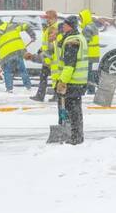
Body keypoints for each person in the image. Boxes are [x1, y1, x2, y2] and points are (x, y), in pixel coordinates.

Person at [53, 16, 88, 145]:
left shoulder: (72, 41)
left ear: (70, 26)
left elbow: (69, 65)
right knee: (76, 111)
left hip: (72, 82)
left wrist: (62, 81)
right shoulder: (79, 38)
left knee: (70, 111)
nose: (63, 26)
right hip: (79, 82)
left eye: (65, 24)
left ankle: (73, 137)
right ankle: (77, 136)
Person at [0, 19, 36, 93]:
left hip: (6, 54)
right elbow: (26, 26)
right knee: (22, 70)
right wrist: (32, 35)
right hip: (18, 52)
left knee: (8, 72)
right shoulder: (12, 26)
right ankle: (28, 87)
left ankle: (9, 89)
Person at [30, 10, 60, 102]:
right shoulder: (50, 28)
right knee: (47, 77)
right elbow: (47, 43)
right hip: (48, 57)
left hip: (51, 58)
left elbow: (51, 46)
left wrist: (46, 57)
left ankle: (51, 96)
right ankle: (43, 95)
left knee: (54, 77)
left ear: (54, 18)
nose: (46, 21)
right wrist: (41, 50)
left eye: (48, 19)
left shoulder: (53, 29)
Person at [79, 9, 99, 95]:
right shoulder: (91, 25)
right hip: (92, 52)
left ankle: (90, 90)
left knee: (88, 73)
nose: (80, 20)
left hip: (89, 53)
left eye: (81, 18)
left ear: (85, 17)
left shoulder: (88, 28)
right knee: (89, 72)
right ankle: (90, 89)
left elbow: (86, 40)